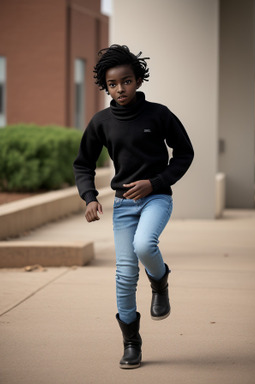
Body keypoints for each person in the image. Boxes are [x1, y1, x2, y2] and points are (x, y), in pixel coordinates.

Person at [73, 44, 194, 369]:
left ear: (138, 80)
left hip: (156, 197)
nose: (120, 88)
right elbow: (83, 164)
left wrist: (155, 183)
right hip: (124, 205)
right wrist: (90, 197)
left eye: (126, 81)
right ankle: (131, 342)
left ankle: (160, 279)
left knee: (145, 244)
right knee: (125, 275)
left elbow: (184, 154)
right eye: (113, 84)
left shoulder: (159, 114)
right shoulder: (101, 122)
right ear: (105, 87)